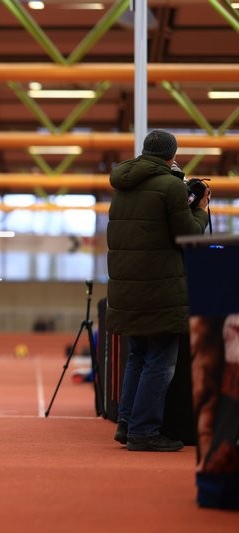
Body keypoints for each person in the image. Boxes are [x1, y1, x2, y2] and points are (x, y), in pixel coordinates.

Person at [107, 129, 209, 452]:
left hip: (127, 288)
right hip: (161, 287)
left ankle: (126, 424)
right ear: (171, 155)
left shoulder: (122, 187)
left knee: (138, 355)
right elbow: (188, 234)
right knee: (161, 361)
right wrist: (201, 208)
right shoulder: (169, 186)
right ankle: (143, 430)